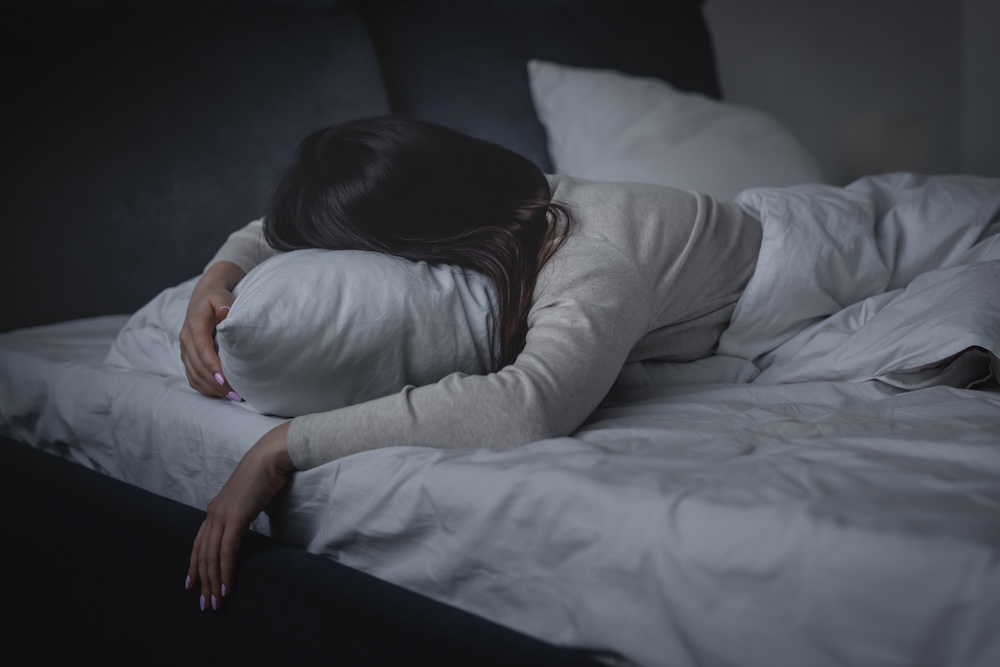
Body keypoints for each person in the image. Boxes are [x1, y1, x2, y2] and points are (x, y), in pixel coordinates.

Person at [181, 115, 763, 611]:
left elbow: (528, 409)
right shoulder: (496, 206)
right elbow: (268, 230)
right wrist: (214, 281)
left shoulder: (592, 257)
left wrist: (282, 446)